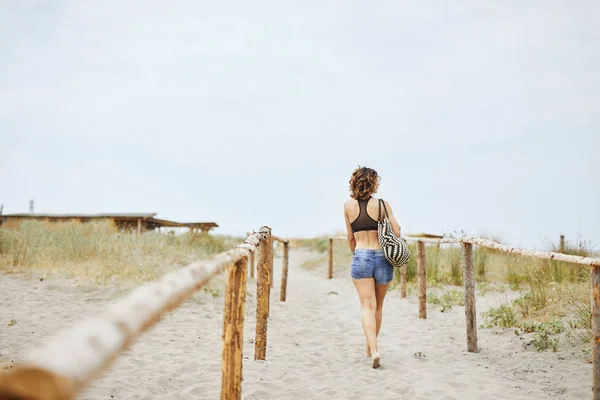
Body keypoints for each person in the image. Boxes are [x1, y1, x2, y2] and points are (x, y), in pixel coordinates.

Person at [343, 166, 402, 369]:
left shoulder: (348, 206)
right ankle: (371, 347)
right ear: (374, 183)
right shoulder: (383, 205)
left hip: (361, 255)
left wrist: (357, 255)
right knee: (378, 306)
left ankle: (373, 349)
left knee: (366, 306)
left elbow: (350, 238)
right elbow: (397, 231)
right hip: (382, 257)